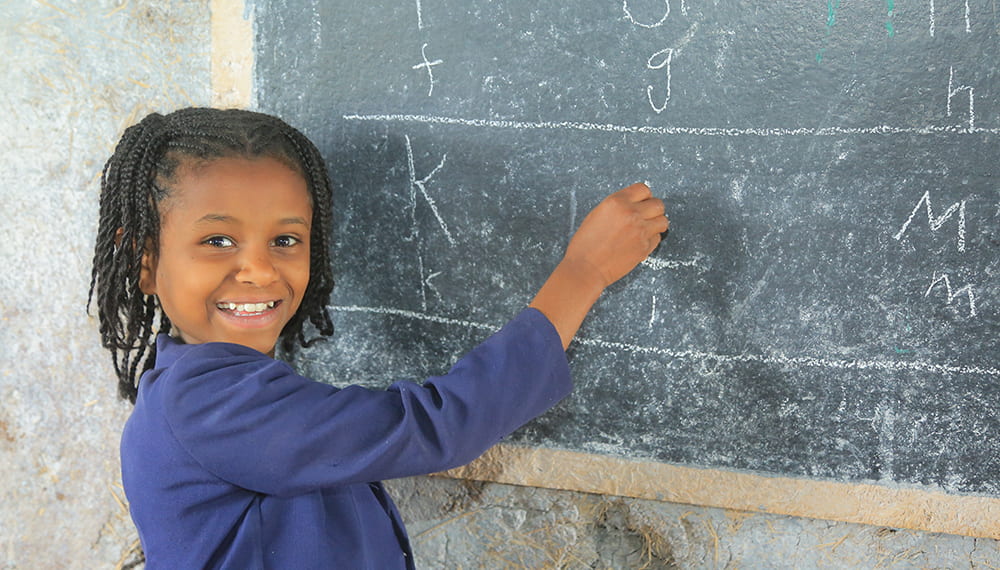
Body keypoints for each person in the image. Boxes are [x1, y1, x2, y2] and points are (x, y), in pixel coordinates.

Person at [89, 107, 668, 569]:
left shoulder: (224, 389)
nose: (261, 271)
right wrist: (583, 273)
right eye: (218, 241)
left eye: (286, 240)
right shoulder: (209, 404)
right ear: (143, 261)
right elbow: (432, 426)